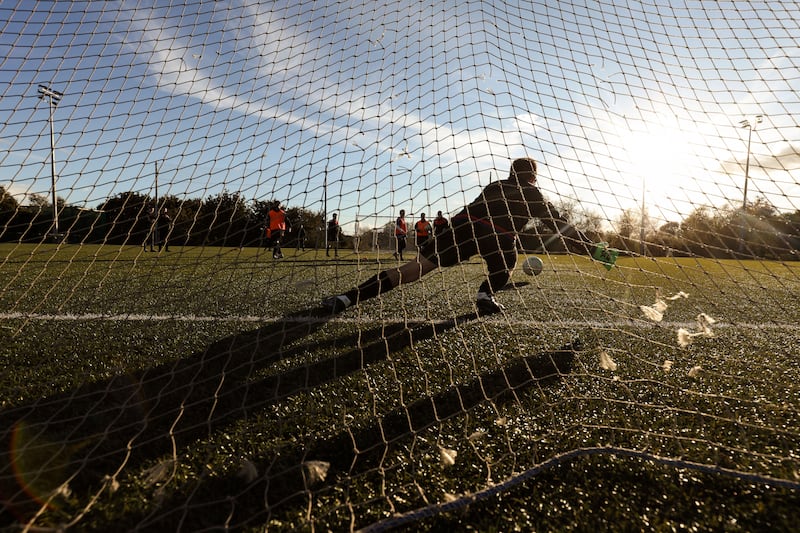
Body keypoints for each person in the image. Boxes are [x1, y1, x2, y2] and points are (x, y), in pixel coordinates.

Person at [322, 157, 616, 315]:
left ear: (510, 172)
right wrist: (593, 249)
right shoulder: (533, 193)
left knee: (411, 270)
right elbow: (560, 225)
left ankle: (346, 299)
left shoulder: (493, 186)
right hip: (496, 237)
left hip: (461, 228)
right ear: (533, 177)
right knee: (506, 264)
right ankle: (485, 294)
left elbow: (471, 210)